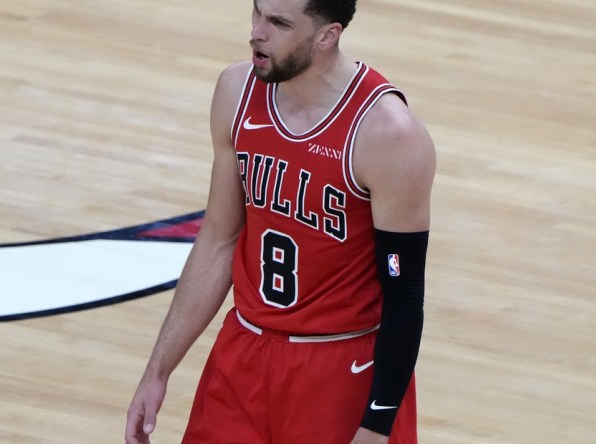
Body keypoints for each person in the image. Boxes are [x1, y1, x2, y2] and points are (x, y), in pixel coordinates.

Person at [125, 0, 435, 442]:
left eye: (279, 23)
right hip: (242, 355)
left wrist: (378, 423)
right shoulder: (236, 91)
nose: (257, 32)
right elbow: (218, 240)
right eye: (256, 13)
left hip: (339, 369)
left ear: (327, 35)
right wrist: (158, 370)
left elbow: (404, 294)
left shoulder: (387, 134)